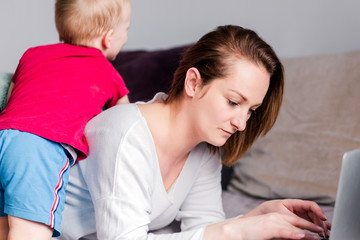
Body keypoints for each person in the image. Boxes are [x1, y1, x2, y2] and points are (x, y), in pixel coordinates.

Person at [58, 25, 331, 240]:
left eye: (251, 110)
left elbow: (205, 230)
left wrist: (254, 219)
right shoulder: (123, 133)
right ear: (193, 83)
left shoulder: (204, 147)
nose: (242, 124)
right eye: (233, 102)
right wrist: (236, 231)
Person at [0, 0, 131, 239]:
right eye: (127, 30)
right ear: (109, 38)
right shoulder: (108, 73)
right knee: (30, 231)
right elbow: (128, 124)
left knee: (4, 227)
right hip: (40, 148)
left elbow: (12, 99)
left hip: (4, 135)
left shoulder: (32, 54)